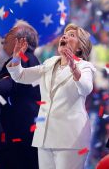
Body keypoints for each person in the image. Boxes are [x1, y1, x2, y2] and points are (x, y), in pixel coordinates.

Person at [7, 23, 95, 169]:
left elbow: (86, 88)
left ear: (80, 47)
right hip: (44, 137)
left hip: (70, 139)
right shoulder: (50, 63)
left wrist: (74, 69)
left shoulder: (85, 67)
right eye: (65, 34)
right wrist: (16, 58)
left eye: (72, 35)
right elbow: (20, 76)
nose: (65, 36)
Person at [0, 20, 40, 169]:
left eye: (9, 33)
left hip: (17, 139)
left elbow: (5, 87)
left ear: (20, 41)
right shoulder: (33, 61)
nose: (4, 38)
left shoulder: (22, 60)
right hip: (29, 136)